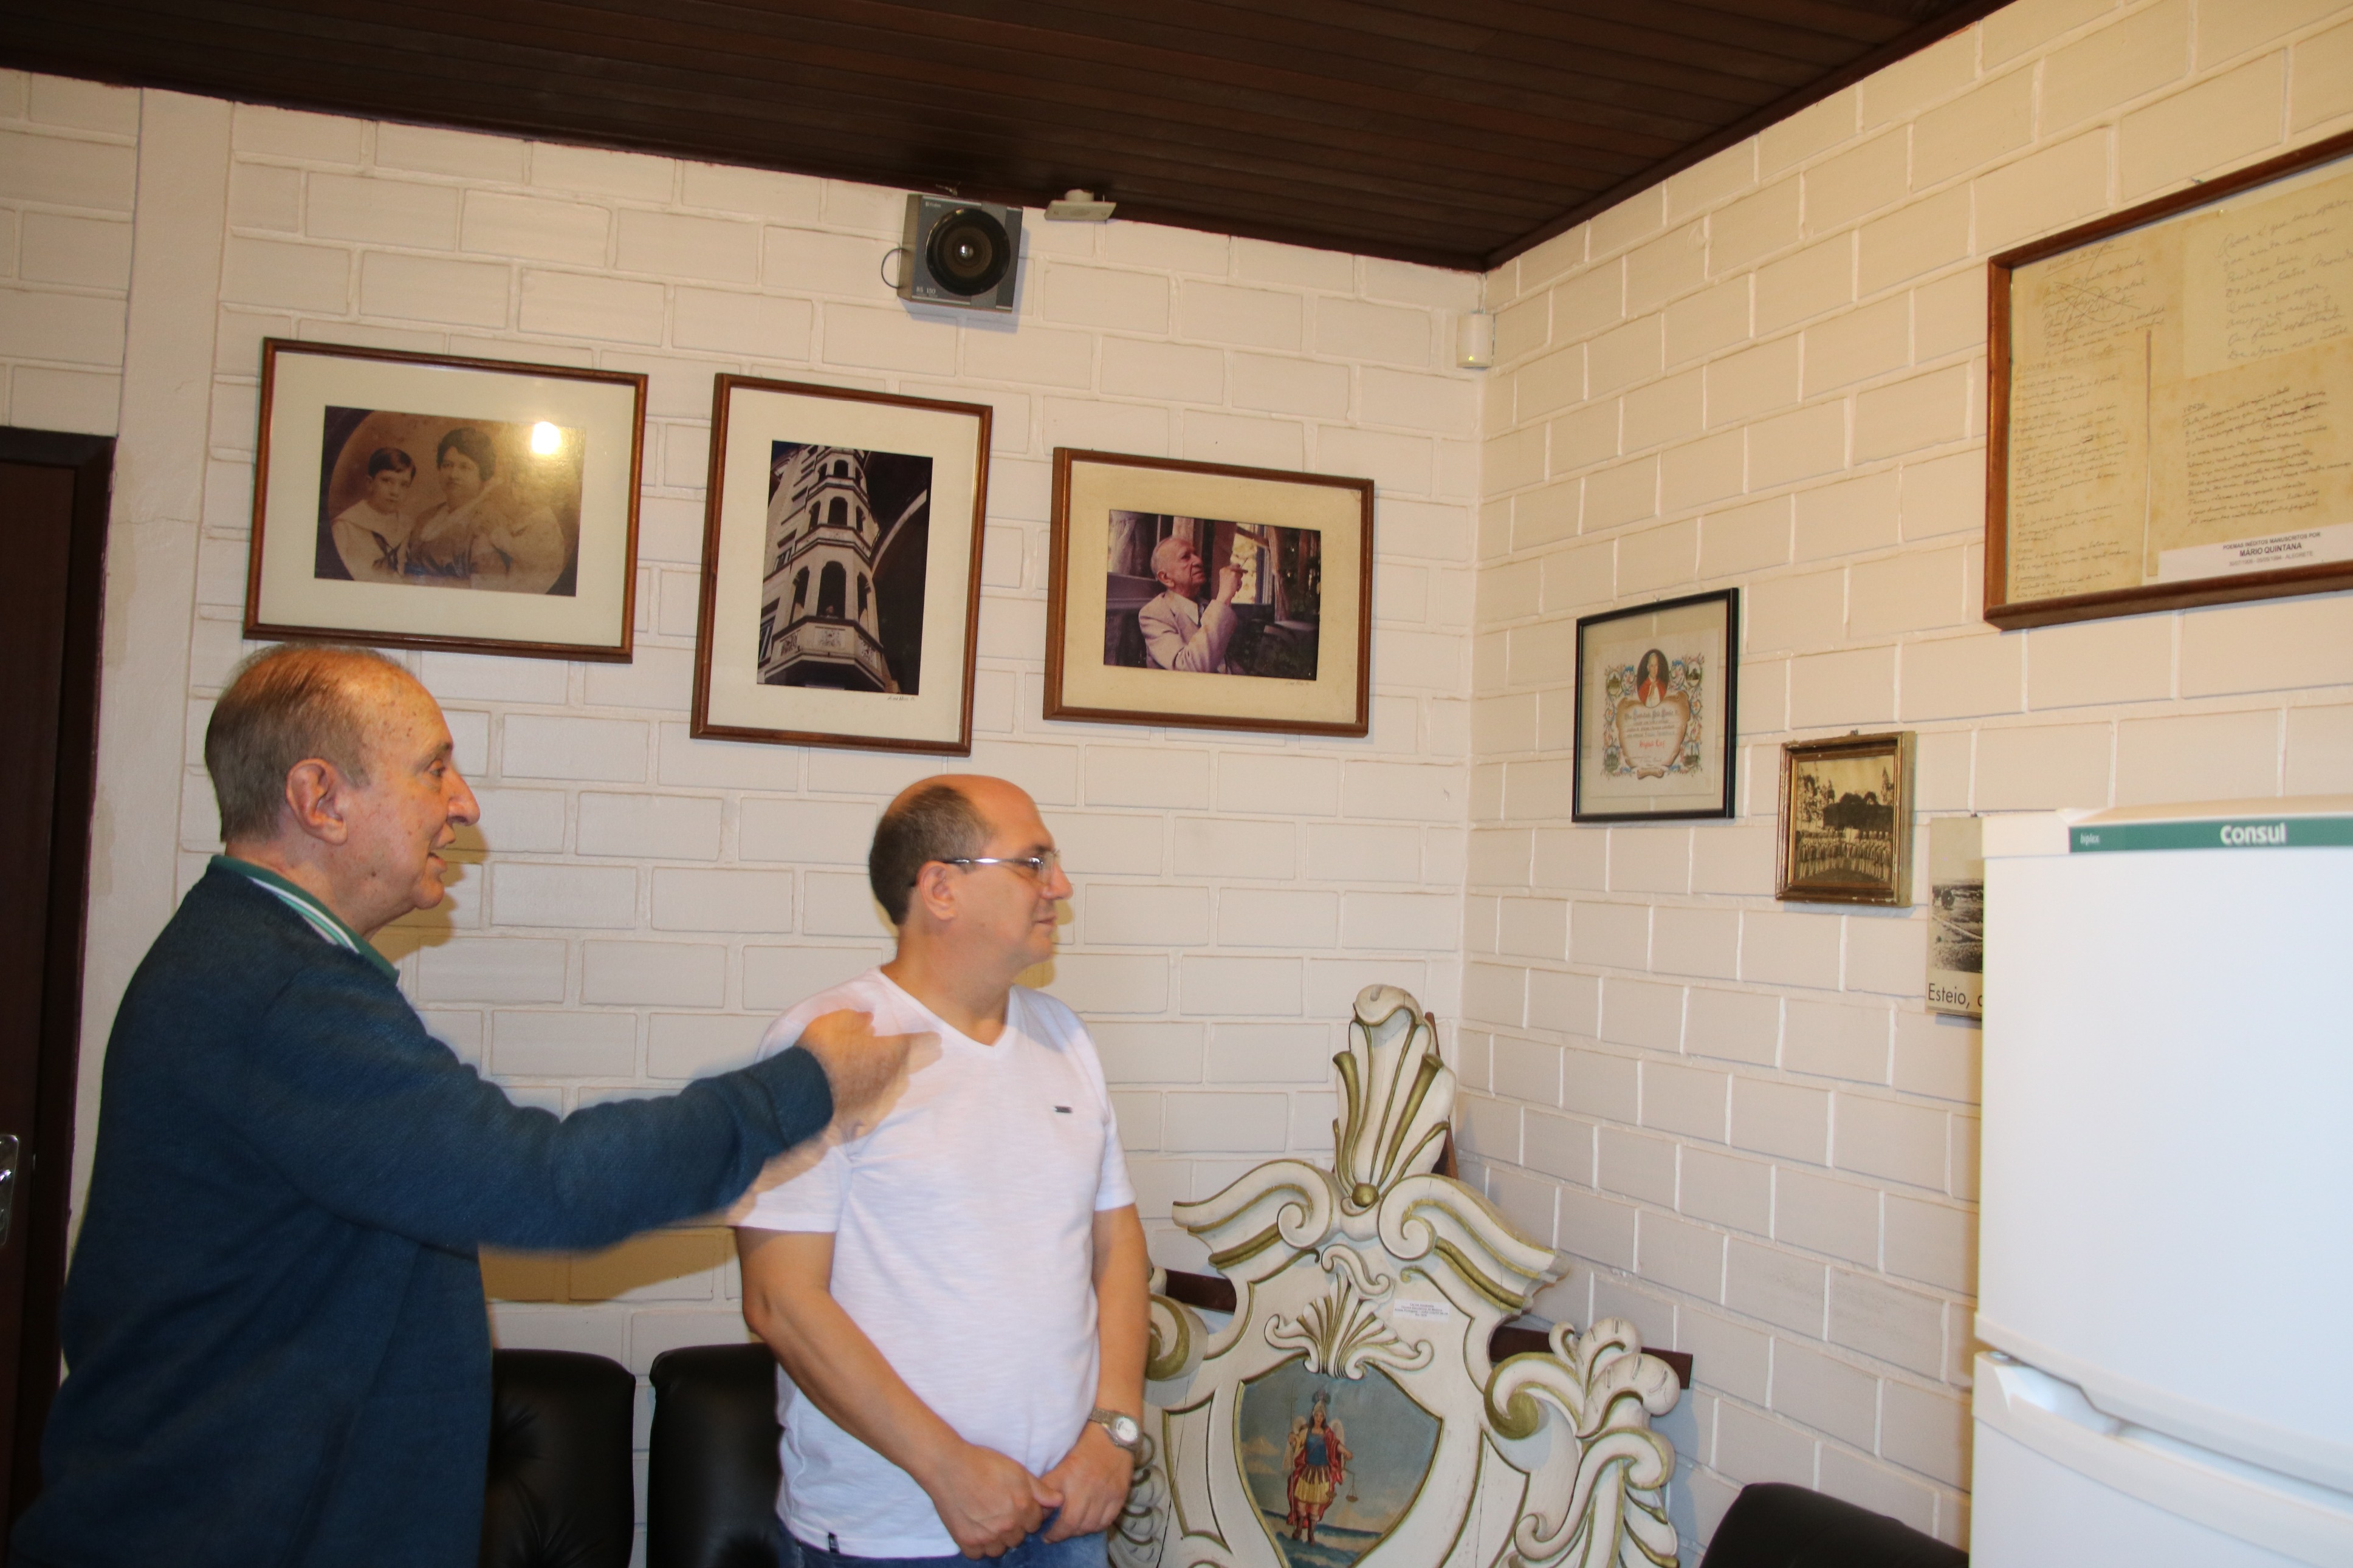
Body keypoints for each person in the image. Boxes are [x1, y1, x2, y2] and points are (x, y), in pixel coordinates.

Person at [12, 644, 912, 1568]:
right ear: (320, 799)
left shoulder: (263, 960)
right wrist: (805, 1086)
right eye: (433, 768)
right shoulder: (277, 991)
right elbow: (545, 1184)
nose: (464, 802)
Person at [736, 776, 1149, 1566]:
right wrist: (947, 1468)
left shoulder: (1065, 1038)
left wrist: (1115, 1429)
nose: (1060, 886)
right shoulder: (827, 1043)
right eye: (1033, 862)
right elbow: (780, 1300)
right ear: (941, 888)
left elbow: (1118, 1245)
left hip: (1065, 1515)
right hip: (894, 1531)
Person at [407, 426, 569, 594]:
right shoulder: (426, 517)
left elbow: (487, 588)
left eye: (465, 467)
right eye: (447, 465)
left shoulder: (487, 521)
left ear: (482, 474)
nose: (453, 474)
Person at [1137, 533, 1239, 674]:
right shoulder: (1153, 614)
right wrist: (1224, 596)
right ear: (1166, 578)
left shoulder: (1206, 606)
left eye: (1195, 554)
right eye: (1185, 557)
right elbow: (1188, 667)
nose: (1198, 561)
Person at [329, 445, 419, 583]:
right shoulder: (345, 526)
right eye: (387, 481)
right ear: (370, 483)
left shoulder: (407, 526)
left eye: (404, 485)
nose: (395, 492)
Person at [1283, 1391, 1349, 1546]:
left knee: (1316, 1505)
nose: (1319, 1418)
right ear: (1313, 1416)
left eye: (1321, 1416)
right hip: (1308, 1472)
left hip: (1322, 1474)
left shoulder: (1328, 1434)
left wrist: (1345, 1451)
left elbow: (1335, 1445)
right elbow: (1298, 1441)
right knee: (1301, 1501)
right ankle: (1299, 1528)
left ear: (1324, 1418)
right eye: (1317, 1415)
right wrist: (1293, 1439)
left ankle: (1311, 1534)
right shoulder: (1307, 1432)